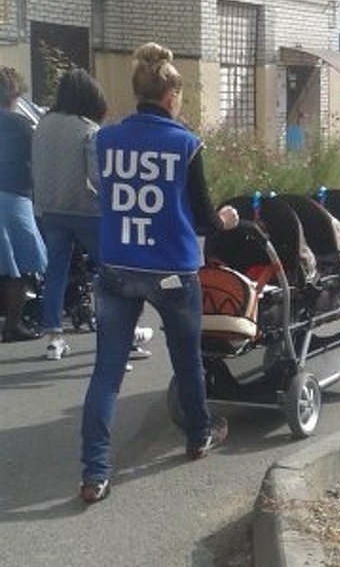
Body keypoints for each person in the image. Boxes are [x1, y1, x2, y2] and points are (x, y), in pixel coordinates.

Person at [79, 42, 240, 503]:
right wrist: (226, 220)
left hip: (116, 266)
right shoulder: (185, 144)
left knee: (107, 372)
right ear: (171, 97)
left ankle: (94, 474)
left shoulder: (105, 139)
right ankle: (198, 437)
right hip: (171, 270)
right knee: (187, 359)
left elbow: (101, 191)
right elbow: (205, 218)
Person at [32, 68, 154, 366]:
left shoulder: (43, 123)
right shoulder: (87, 129)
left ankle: (54, 338)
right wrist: (115, 202)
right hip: (85, 211)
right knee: (112, 272)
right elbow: (98, 177)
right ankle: (123, 334)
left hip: (49, 211)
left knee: (56, 272)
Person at [0, 66, 47, 342]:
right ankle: (12, 325)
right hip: (14, 198)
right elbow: (38, 162)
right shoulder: (21, 125)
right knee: (21, 263)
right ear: (14, 95)